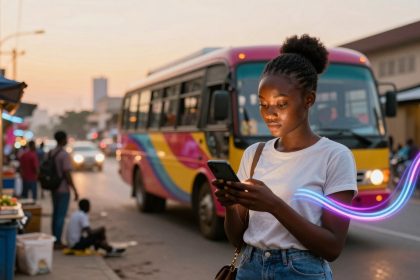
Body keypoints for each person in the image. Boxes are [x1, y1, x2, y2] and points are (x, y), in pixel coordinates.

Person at [214, 35, 357, 279]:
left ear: (308, 100)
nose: (269, 114)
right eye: (263, 104)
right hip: (250, 267)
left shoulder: (335, 156)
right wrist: (230, 206)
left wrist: (274, 205)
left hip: (301, 271)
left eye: (281, 104)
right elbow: (237, 240)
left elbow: (332, 247)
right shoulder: (254, 154)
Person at [50, 131, 79, 249]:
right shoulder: (64, 154)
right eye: (66, 138)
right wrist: (75, 190)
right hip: (62, 189)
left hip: (53, 187)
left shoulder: (50, 153)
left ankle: (54, 238)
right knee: (61, 215)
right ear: (63, 140)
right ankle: (58, 241)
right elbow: (67, 174)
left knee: (55, 213)